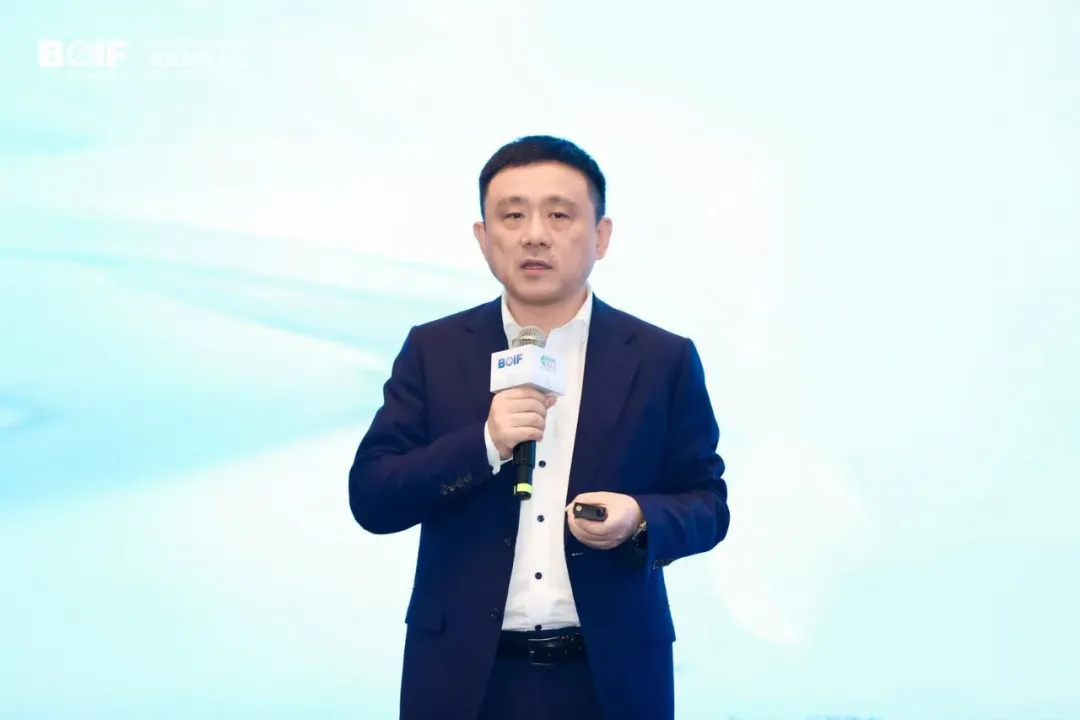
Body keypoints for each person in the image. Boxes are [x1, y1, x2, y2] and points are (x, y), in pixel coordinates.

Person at [348, 135, 729, 720]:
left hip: (609, 678)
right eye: (512, 216)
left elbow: (707, 502)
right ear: (484, 238)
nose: (534, 235)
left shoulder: (662, 358)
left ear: (600, 236)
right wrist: (485, 444)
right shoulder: (434, 349)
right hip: (462, 679)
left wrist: (639, 518)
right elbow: (373, 496)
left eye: (559, 215)